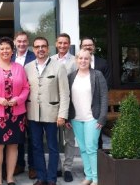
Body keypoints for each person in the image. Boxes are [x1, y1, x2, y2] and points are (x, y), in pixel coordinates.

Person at [0, 36, 30, 185]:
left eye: (7, 48)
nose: (5, 51)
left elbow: (26, 88)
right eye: (2, 48)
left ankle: (9, 177)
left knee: (13, 146)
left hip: (16, 113)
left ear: (12, 50)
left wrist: (18, 100)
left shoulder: (19, 68)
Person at [25, 37, 69, 185]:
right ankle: (41, 177)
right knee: (36, 146)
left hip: (52, 114)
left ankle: (51, 178)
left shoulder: (58, 66)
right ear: (33, 49)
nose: (40, 49)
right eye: (37, 47)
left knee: (52, 147)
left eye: (43, 46)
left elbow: (64, 93)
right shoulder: (28, 67)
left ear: (48, 48)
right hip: (33, 114)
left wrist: (62, 114)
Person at [65, 49, 108, 185]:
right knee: (83, 148)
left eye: (86, 59)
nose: (83, 61)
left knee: (91, 148)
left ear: (90, 60)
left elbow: (104, 97)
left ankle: (96, 178)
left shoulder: (97, 75)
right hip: (76, 118)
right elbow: (67, 98)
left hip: (92, 118)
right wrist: (66, 117)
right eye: (80, 58)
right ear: (76, 60)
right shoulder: (71, 76)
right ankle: (88, 176)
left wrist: (102, 118)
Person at [49, 33, 77, 183]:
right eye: (60, 43)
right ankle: (57, 166)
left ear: (69, 44)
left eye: (65, 43)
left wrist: (69, 112)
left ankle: (68, 168)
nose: (62, 45)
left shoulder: (75, 61)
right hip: (53, 106)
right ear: (56, 43)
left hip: (70, 105)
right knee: (54, 139)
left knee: (69, 140)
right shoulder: (50, 60)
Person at [11, 31, 36, 178]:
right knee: (18, 137)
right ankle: (19, 164)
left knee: (32, 136)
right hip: (15, 105)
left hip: (31, 103)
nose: (21, 44)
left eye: (24, 41)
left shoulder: (34, 57)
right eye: (19, 41)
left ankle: (33, 166)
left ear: (28, 42)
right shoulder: (10, 57)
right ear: (15, 42)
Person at [80, 36, 111, 150]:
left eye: (90, 45)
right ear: (81, 47)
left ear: (94, 47)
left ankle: (98, 163)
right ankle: (87, 165)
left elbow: (106, 85)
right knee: (84, 137)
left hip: (97, 106)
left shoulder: (103, 63)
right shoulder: (77, 62)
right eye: (85, 45)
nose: (88, 47)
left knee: (97, 137)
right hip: (81, 106)